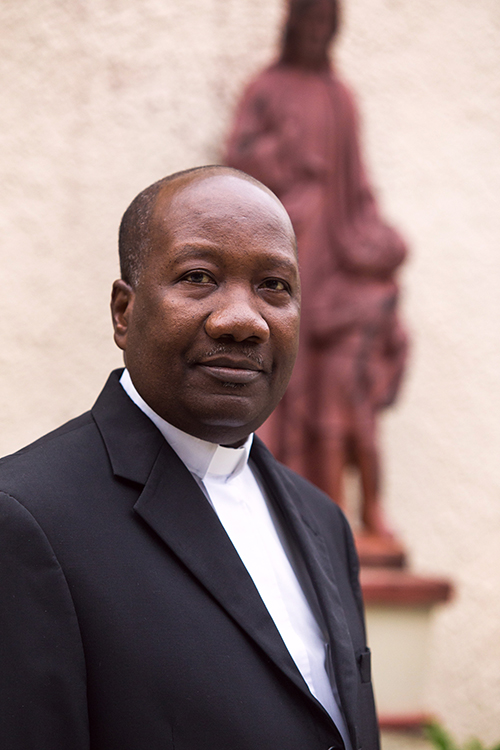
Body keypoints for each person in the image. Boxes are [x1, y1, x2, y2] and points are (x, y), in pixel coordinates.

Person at [0, 166, 378, 750]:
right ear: (123, 313)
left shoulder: (323, 521)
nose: (243, 320)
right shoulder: (26, 520)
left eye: (274, 286)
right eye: (198, 276)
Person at [225, 0, 408, 537]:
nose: (315, 35)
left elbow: (358, 187)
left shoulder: (339, 97)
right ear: (292, 25)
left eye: (325, 27)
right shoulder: (266, 87)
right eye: (308, 24)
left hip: (334, 251)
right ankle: (269, 501)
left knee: (332, 397)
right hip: (284, 243)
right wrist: (287, 158)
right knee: (279, 368)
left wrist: (375, 241)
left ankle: (331, 517)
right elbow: (238, 162)